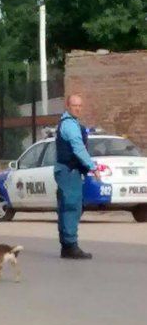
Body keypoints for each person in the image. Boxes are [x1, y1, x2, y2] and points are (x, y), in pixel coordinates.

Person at [55, 94, 101, 259]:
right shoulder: (70, 125)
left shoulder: (68, 123)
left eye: (80, 106)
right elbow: (78, 148)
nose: (78, 108)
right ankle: (70, 246)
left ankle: (67, 246)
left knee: (68, 206)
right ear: (68, 106)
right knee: (71, 207)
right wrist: (92, 167)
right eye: (75, 105)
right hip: (69, 171)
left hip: (67, 170)